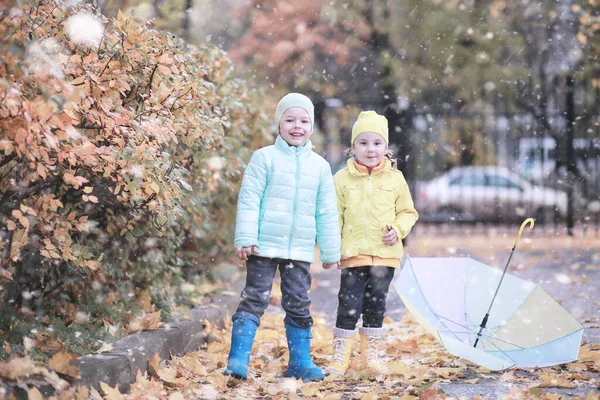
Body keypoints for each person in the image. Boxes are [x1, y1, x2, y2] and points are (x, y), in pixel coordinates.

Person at [223, 93, 341, 382]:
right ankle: (237, 359)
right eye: (290, 119)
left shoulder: (320, 167)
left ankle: (300, 362)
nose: (296, 126)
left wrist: (330, 252)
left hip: (299, 251)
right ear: (279, 124)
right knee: (254, 299)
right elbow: (249, 199)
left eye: (303, 121)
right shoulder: (264, 157)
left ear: (311, 127)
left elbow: (326, 212)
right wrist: (246, 238)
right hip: (262, 246)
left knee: (299, 304)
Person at [325, 110, 418, 377]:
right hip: (353, 255)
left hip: (384, 256)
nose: (370, 149)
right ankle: (340, 356)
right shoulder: (341, 180)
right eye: (363, 143)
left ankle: (371, 355)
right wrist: (331, 250)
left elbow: (408, 213)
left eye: (377, 143)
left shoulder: (395, 179)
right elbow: (334, 218)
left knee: (376, 306)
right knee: (348, 304)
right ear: (352, 148)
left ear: (386, 148)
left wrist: (398, 230)